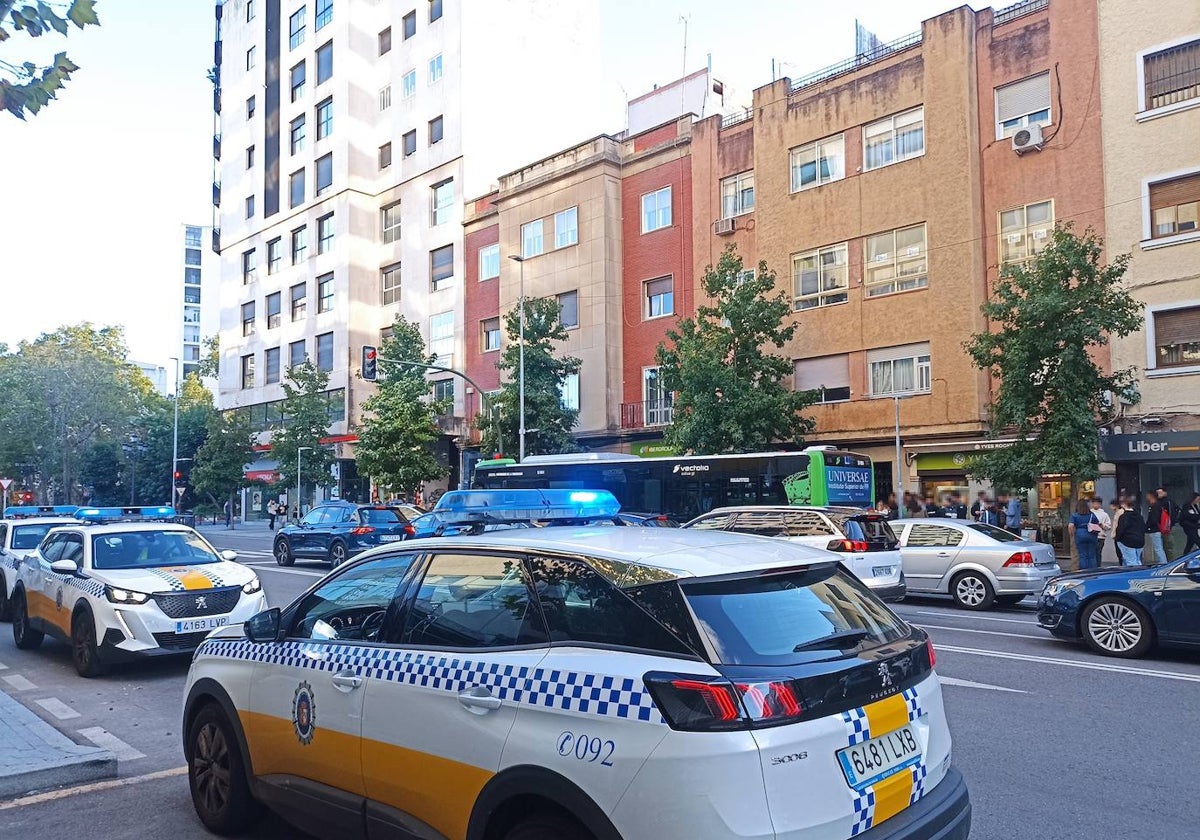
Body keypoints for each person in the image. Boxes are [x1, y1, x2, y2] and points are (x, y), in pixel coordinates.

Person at [1069, 499, 1100, 570]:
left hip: (1080, 535)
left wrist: (1072, 534)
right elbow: (1097, 524)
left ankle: (1084, 570)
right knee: (1092, 555)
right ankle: (1093, 570)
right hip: (1091, 535)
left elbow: (1071, 526)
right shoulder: (1092, 514)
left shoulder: (1074, 515)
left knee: (1082, 555)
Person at [1113, 497, 1145, 566]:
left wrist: (1117, 538)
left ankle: (1133, 575)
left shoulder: (1124, 517)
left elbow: (1120, 530)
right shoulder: (1139, 516)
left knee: (1131, 562)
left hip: (1127, 542)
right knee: (1137, 560)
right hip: (1140, 541)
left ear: (1123, 505)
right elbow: (1143, 528)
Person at [1144, 491, 1169, 565]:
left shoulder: (1155, 506)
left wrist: (1147, 527)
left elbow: (1153, 519)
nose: (1147, 497)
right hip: (1155, 529)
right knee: (1158, 548)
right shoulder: (1155, 506)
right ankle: (1161, 562)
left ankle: (1163, 563)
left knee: (1158, 548)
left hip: (1155, 530)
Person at [1156, 488, 1181, 560]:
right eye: (1157, 493)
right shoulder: (1157, 503)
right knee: (1162, 547)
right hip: (1159, 527)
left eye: (1160, 493)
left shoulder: (1168, 502)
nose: (1158, 495)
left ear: (1165, 493)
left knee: (1169, 546)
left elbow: (1173, 512)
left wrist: (1171, 523)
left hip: (1167, 527)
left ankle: (1171, 561)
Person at [1089, 497, 1111, 562]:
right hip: (1091, 535)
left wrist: (1102, 525)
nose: (1095, 505)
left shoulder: (1104, 514)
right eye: (1094, 503)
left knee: (1098, 553)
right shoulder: (1089, 513)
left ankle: (1098, 566)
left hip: (1100, 536)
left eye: (1097, 503)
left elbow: (1109, 526)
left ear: (1100, 504)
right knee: (1091, 553)